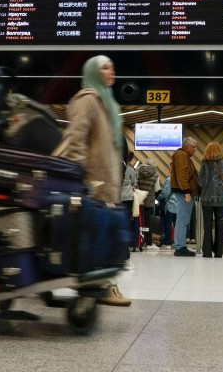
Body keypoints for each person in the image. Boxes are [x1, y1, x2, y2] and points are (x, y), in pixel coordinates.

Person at [63, 55, 131, 306]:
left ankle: (102, 284)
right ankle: (99, 287)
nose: (110, 71)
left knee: (107, 236)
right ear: (92, 72)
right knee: (97, 235)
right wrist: (79, 176)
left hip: (108, 183)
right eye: (104, 68)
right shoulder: (88, 100)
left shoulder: (108, 103)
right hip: (93, 182)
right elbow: (76, 139)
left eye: (112, 67)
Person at [197, 141, 223, 258]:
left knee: (207, 225)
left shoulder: (205, 164)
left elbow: (200, 181)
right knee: (220, 225)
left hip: (207, 199)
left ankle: (207, 251)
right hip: (221, 199)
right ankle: (219, 252)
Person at [170, 137, 198, 257]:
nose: (195, 149)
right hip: (183, 192)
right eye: (193, 147)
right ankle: (180, 246)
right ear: (187, 146)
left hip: (182, 191)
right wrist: (186, 191)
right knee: (183, 219)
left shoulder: (182, 155)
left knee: (182, 219)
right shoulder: (182, 155)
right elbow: (182, 174)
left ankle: (180, 245)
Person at [136, 158, 160, 250]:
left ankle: (139, 240)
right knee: (148, 221)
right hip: (149, 199)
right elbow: (157, 189)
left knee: (139, 220)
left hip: (139, 199)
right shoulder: (155, 175)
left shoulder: (138, 172)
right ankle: (148, 242)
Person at [157, 175, 177, 250]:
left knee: (168, 224)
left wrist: (158, 198)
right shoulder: (179, 178)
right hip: (178, 205)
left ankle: (168, 243)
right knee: (177, 225)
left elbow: (165, 192)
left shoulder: (169, 180)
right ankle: (177, 243)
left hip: (170, 205)